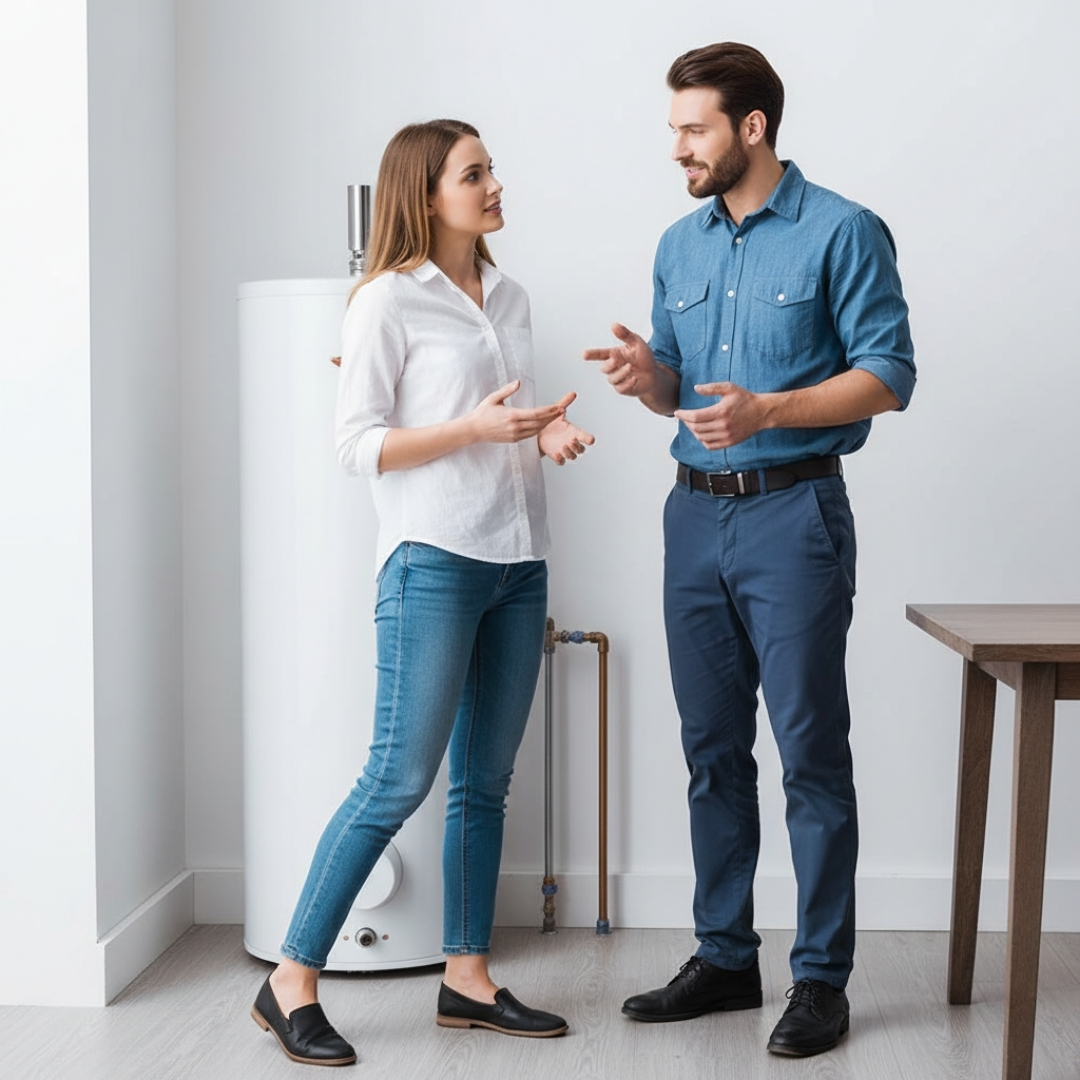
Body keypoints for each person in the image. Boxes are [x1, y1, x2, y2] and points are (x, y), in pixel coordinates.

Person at [584, 43, 915, 1057]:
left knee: (810, 754)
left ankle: (820, 980)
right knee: (712, 752)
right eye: (675, 130)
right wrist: (647, 378)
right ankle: (726, 957)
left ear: (752, 127)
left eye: (694, 129)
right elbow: (678, 388)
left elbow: (889, 375)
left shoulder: (843, 230)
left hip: (793, 517)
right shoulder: (677, 246)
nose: (678, 148)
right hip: (693, 518)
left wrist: (771, 409)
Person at [252, 118, 593, 1066]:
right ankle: (291, 982)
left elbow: (504, 416)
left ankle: (467, 979)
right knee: (396, 780)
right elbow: (356, 445)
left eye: (491, 169)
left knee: (485, 782)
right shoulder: (386, 302)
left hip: (519, 561)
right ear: (427, 194)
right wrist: (470, 430)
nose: (494, 185)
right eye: (474, 174)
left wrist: (544, 433)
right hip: (432, 562)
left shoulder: (510, 295)